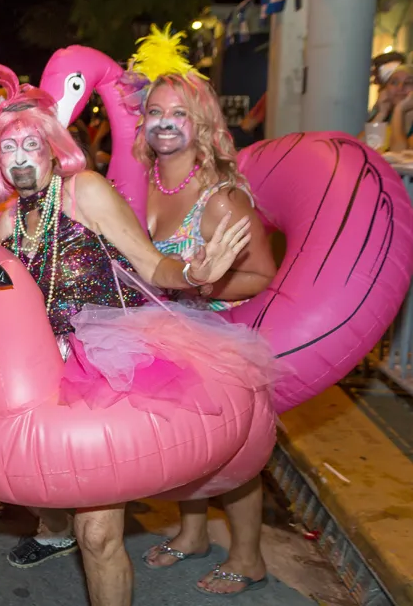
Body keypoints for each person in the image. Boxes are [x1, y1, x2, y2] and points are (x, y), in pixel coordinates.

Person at [0, 63, 281, 606]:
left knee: (98, 534)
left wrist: (196, 273)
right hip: (41, 365)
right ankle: (53, 529)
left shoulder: (85, 192)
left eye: (32, 144)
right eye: (9, 148)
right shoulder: (7, 218)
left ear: (53, 149)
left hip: (107, 365)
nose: (21, 158)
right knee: (42, 473)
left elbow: (152, 265)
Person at [139, 73, 276, 596]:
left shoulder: (221, 199)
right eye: (155, 111)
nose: (165, 123)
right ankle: (193, 533)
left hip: (216, 335)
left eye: (179, 113)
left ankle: (248, 558)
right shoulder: (142, 180)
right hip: (163, 329)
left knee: (234, 454)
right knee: (183, 444)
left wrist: (202, 283)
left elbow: (261, 274)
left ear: (202, 124)